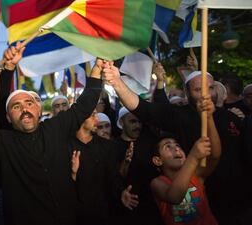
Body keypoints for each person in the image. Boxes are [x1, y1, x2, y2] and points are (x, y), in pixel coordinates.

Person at [0, 56, 104, 225]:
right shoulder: (2, 143)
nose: (24, 109)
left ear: (38, 110)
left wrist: (96, 70)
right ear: (7, 117)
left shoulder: (55, 128)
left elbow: (84, 106)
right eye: (16, 107)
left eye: (29, 103)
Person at [103, 65, 248, 225]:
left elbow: (220, 154)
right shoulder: (178, 115)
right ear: (187, 93)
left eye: (210, 87)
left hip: (235, 202)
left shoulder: (232, 117)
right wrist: (116, 82)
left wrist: (208, 118)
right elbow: (142, 108)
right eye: (198, 89)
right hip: (207, 197)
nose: (206, 94)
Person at [151, 95, 220, 225]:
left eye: (178, 146)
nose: (176, 149)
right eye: (168, 147)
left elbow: (215, 156)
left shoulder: (196, 175)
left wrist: (208, 118)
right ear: (157, 160)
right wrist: (193, 157)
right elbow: (174, 197)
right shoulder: (158, 183)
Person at [70, 110, 124, 225]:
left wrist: (121, 192)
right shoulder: (65, 147)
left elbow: (113, 177)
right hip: (76, 215)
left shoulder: (108, 146)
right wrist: (73, 174)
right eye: (93, 115)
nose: (97, 119)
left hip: (105, 214)